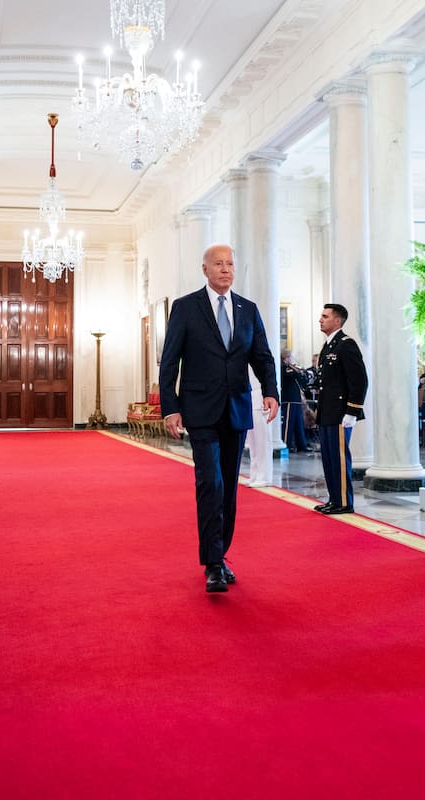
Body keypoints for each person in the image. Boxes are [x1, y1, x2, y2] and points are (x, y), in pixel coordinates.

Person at [159, 244, 279, 592]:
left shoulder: (248, 309)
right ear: (205, 269)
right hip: (199, 410)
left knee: (228, 487)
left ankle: (221, 555)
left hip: (237, 408)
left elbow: (263, 356)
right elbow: (170, 362)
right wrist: (171, 407)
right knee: (209, 482)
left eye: (230, 264)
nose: (226, 270)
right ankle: (212, 563)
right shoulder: (186, 308)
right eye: (219, 264)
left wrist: (270, 390)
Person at [312, 305, 368, 515]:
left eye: (325, 317)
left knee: (339, 458)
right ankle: (334, 499)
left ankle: (344, 502)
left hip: (340, 412)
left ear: (337, 321)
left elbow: (359, 380)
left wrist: (352, 411)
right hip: (327, 411)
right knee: (328, 458)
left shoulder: (346, 345)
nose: (320, 320)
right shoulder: (328, 346)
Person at [280, 350, 309, 453]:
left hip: (296, 400)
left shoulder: (292, 368)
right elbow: (293, 374)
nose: (291, 359)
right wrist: (296, 369)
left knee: (299, 424)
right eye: (290, 357)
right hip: (289, 399)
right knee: (288, 423)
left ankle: (302, 445)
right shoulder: (283, 368)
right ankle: (286, 443)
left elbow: (302, 378)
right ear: (286, 357)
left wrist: (301, 372)